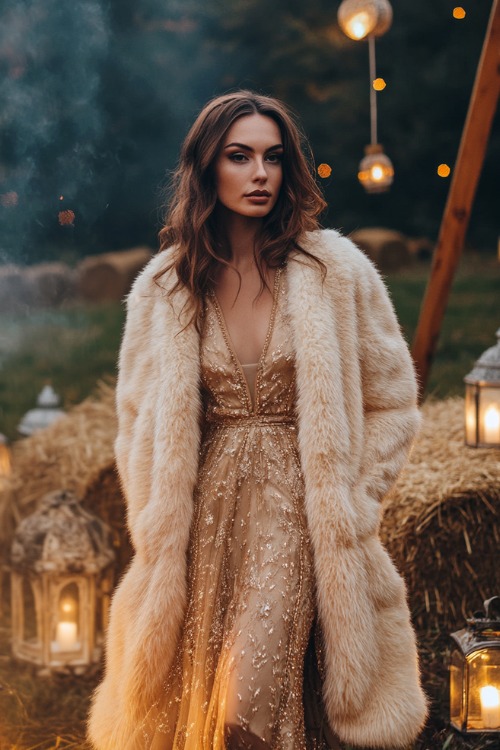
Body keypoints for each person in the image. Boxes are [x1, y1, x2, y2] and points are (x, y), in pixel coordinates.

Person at [88, 91, 427, 750]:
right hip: (203, 518)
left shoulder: (336, 271)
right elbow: (135, 420)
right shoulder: (165, 287)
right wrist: (154, 518)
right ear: (206, 168)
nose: (261, 173)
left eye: (273, 157)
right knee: (201, 702)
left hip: (299, 511)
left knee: (249, 701)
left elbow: (392, 401)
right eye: (239, 157)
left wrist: (353, 503)